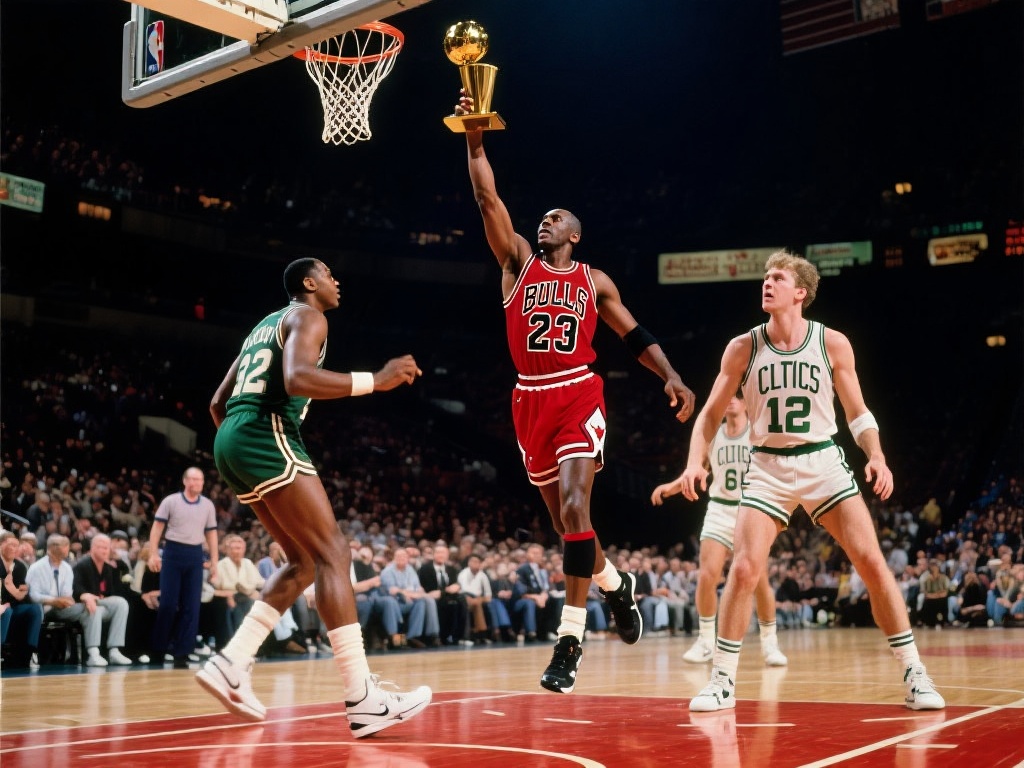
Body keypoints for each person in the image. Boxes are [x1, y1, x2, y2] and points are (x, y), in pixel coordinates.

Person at [454, 92, 696, 694]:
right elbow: (487, 198)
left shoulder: (594, 280)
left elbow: (634, 335)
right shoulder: (517, 264)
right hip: (528, 399)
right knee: (569, 527)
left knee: (573, 508)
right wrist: (475, 138)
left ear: (576, 234)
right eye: (543, 217)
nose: (546, 221)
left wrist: (670, 374)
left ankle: (569, 642)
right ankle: (615, 584)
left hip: (577, 393)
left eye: (557, 218)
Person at [675, 250, 944, 712]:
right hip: (767, 466)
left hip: (822, 460)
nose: (767, 282)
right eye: (765, 276)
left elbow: (857, 412)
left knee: (871, 562)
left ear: (800, 291)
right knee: (744, 568)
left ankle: (914, 672)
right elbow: (709, 415)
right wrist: (694, 462)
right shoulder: (742, 347)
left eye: (777, 277)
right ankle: (722, 681)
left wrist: (877, 456)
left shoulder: (831, 342)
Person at [198, 257, 431, 736]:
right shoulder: (308, 316)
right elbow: (298, 379)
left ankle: (231, 662)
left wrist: (240, 443)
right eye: (327, 273)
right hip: (265, 431)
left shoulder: (263, 326)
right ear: (309, 283)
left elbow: (218, 403)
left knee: (304, 561)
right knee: (334, 554)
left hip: (231, 439)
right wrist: (375, 380)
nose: (336, 280)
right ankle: (363, 697)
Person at [652, 390, 788, 665]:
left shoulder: (758, 432)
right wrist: (672, 487)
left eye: (737, 396)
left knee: (759, 579)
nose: (731, 399)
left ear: (747, 402)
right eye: (729, 396)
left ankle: (769, 642)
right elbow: (698, 468)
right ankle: (705, 641)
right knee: (707, 575)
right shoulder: (714, 434)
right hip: (719, 507)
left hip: (751, 509)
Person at [147, 467, 220, 667]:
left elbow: (211, 533)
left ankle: (182, 652)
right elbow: (157, 528)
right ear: (185, 481)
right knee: (168, 604)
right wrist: (153, 553)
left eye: (200, 480)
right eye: (193, 479)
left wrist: (214, 561)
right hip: (173, 552)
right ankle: (158, 649)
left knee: (192, 606)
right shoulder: (171, 501)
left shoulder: (207, 505)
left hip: (195, 554)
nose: (197, 483)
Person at [71, 533, 134, 667]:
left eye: (106, 548)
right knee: (95, 607)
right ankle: (93, 654)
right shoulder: (82, 565)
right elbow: (75, 587)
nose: (104, 551)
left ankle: (114, 650)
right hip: (84, 602)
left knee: (121, 603)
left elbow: (111, 590)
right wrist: (85, 595)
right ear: (92, 548)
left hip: (100, 601)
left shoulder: (107, 567)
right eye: (100, 547)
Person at [1, 530, 43, 669]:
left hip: (13, 606)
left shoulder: (19, 566)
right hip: (3, 607)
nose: (13, 548)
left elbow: (23, 593)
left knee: (34, 609)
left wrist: (14, 591)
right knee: (6, 611)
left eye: (15, 545)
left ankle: (31, 651)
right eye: (10, 545)